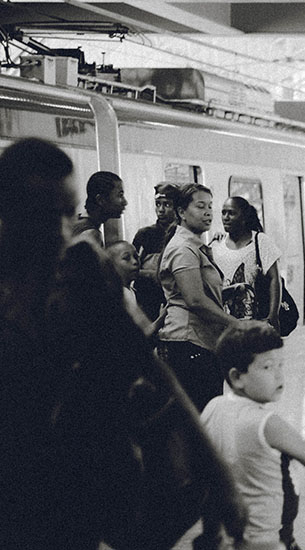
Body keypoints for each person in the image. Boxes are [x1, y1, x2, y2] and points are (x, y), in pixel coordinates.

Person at [0, 138, 244, 550]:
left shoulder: (83, 273)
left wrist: (220, 477)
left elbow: (154, 371)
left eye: (66, 213)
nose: (59, 230)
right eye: (42, 214)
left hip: (74, 489)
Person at [203, 322, 305, 550]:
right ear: (236, 377)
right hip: (267, 540)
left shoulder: (214, 407)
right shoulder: (266, 424)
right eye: (267, 367)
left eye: (280, 365)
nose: (278, 375)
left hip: (228, 537)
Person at [158, 183, 240, 411]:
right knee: (201, 415)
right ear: (181, 212)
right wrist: (237, 325)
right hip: (188, 343)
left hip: (199, 340)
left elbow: (194, 293)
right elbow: (194, 300)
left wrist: (226, 292)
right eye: (200, 206)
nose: (208, 212)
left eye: (210, 207)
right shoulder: (184, 248)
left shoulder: (193, 245)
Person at [211, 197, 282, 330]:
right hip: (222, 321)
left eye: (231, 213)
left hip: (253, 318)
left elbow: (275, 279)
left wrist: (273, 315)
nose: (225, 217)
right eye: (223, 212)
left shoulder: (260, 241)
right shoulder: (216, 245)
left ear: (243, 217)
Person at [133, 183, 178, 320]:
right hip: (148, 301)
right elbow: (131, 269)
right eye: (158, 204)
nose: (161, 210)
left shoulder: (182, 235)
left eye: (167, 205)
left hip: (174, 302)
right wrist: (152, 274)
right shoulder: (145, 234)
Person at [106, 240, 166, 338]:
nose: (134, 262)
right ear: (110, 264)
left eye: (136, 257)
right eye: (126, 258)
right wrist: (162, 318)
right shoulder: (117, 295)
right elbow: (141, 334)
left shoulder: (130, 291)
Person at [71, 170, 127, 247]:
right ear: (101, 200)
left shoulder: (75, 222)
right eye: (120, 195)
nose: (125, 202)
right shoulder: (91, 235)